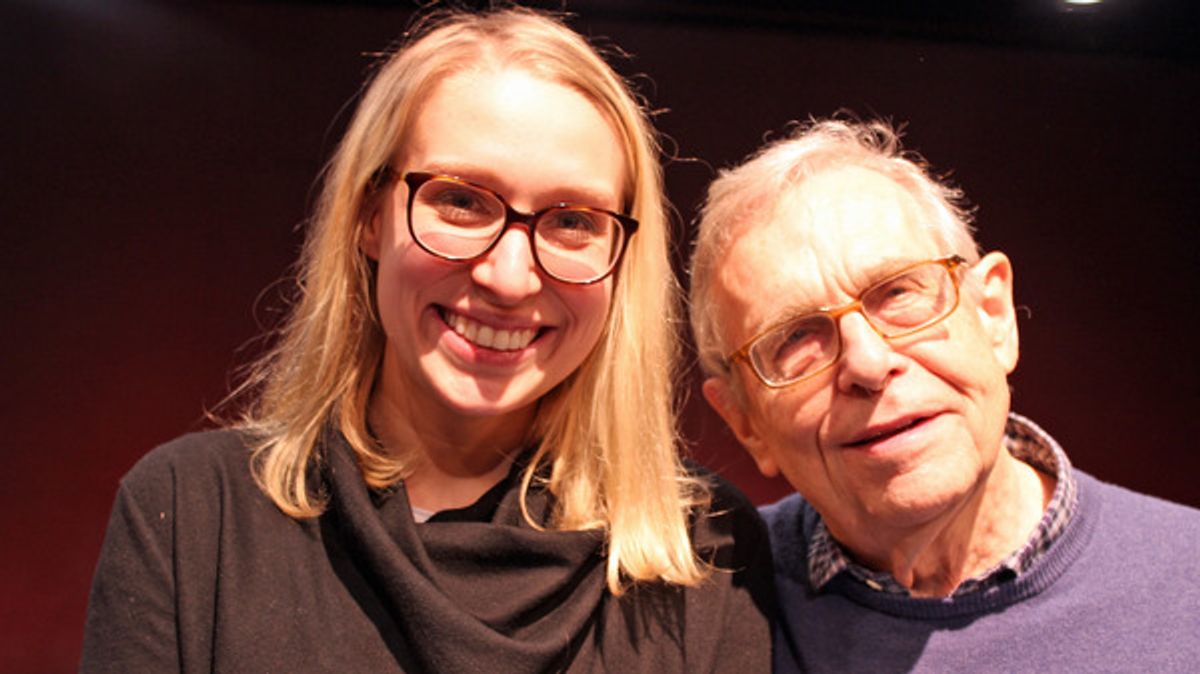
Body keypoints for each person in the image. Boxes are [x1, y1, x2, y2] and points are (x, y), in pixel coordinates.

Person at [81, 9, 773, 672]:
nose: (509, 278)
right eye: (462, 200)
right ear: (368, 215)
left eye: (572, 220)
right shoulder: (192, 516)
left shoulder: (704, 546)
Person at [688, 118, 1200, 672]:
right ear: (744, 423)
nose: (867, 363)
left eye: (899, 292)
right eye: (795, 337)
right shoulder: (701, 615)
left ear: (994, 316)